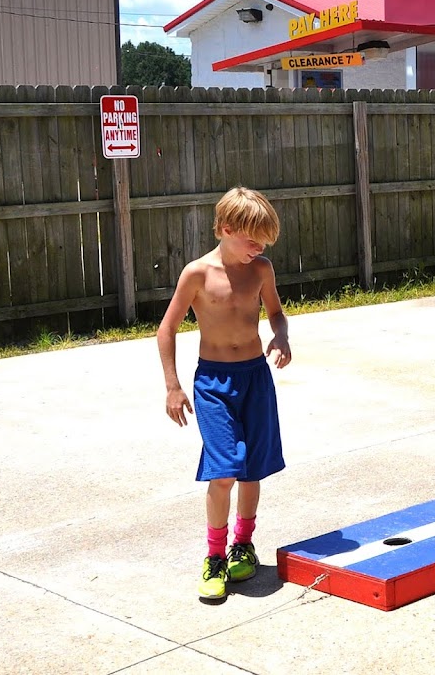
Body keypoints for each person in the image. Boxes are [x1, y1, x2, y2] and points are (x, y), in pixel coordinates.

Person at [156, 186, 291, 600]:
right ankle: (214, 556)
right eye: (253, 240)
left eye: (264, 242)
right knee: (224, 470)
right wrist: (173, 386)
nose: (259, 249)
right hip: (214, 383)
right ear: (227, 229)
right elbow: (167, 329)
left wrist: (281, 336)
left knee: (252, 469)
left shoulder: (261, 269)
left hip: (255, 378)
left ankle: (242, 545)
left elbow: (276, 313)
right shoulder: (197, 274)